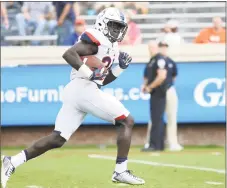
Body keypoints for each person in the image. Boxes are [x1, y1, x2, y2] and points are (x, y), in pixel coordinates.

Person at [1, 8, 145, 188]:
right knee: (127, 120)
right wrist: (89, 73)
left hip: (81, 90)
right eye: (113, 25)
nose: (116, 30)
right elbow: (69, 54)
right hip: (82, 88)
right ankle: (120, 171)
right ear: (102, 23)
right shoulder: (96, 38)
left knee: (57, 139)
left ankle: (12, 162)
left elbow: (101, 81)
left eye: (119, 27)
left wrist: (119, 69)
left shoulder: (112, 47)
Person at [141, 40, 182, 152]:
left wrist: (151, 86)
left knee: (170, 117)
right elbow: (146, 77)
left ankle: (171, 143)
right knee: (155, 117)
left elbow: (170, 76)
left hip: (166, 89)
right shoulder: (152, 61)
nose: (152, 49)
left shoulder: (166, 61)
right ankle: (152, 142)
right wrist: (145, 86)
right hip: (157, 90)